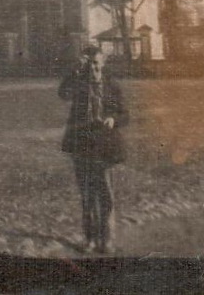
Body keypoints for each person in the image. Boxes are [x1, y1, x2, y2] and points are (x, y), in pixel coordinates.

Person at [58, 45, 129, 254]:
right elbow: (63, 93)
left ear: (104, 63)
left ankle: (107, 239)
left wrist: (113, 119)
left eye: (98, 64)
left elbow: (125, 114)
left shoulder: (112, 86)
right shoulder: (78, 83)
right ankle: (90, 239)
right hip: (80, 143)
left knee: (105, 192)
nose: (95, 69)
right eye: (91, 65)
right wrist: (75, 71)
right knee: (87, 194)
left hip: (104, 145)